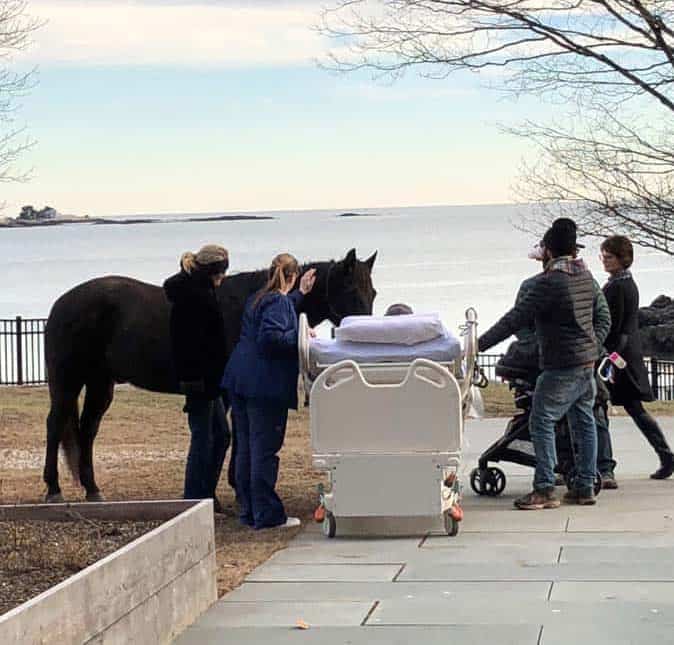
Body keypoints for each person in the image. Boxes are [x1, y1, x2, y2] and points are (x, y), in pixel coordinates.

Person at [479, 220, 599, 509]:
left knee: (541, 419)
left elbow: (514, 320)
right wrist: (596, 346)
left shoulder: (549, 283)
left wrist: (478, 346)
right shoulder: (586, 277)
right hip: (587, 362)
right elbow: (601, 317)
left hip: (562, 364)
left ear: (547, 251)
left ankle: (544, 488)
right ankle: (584, 486)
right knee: (584, 421)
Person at [223, 253, 317, 529]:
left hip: (240, 379)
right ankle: (267, 515)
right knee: (264, 450)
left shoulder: (259, 298)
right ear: (292, 276)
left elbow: (280, 309)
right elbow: (272, 337)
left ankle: (249, 511)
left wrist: (301, 293)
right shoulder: (276, 302)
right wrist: (303, 337)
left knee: (246, 449)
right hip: (264, 385)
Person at [600, 235, 674, 480]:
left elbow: (617, 326)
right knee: (633, 409)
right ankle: (665, 456)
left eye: (609, 257)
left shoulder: (619, 286)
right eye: (604, 256)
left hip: (618, 357)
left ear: (623, 259)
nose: (605, 261)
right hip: (624, 354)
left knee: (610, 407)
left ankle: (605, 464)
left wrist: (608, 356)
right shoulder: (623, 282)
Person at [163, 244, 230, 510]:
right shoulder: (196, 297)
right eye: (222, 271)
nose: (224, 277)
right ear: (214, 271)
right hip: (202, 380)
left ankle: (205, 494)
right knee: (203, 437)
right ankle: (194, 499)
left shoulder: (194, 290)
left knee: (221, 435)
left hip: (208, 379)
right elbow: (194, 343)